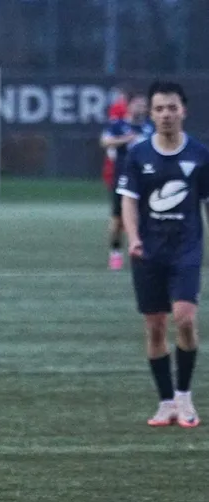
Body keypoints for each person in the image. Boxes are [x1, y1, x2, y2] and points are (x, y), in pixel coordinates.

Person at [117, 81, 209, 428]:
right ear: (151, 113)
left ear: (183, 110)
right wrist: (134, 237)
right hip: (149, 252)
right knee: (155, 328)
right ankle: (166, 402)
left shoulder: (199, 155)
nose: (166, 114)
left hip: (185, 250)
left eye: (172, 108)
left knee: (185, 318)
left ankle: (185, 396)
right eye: (159, 109)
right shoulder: (138, 154)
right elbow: (129, 199)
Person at [100, 92, 152, 271]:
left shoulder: (150, 127)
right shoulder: (118, 125)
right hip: (122, 179)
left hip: (146, 179)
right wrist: (125, 139)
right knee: (117, 220)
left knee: (147, 217)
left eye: (144, 105)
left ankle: (143, 251)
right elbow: (105, 142)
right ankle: (115, 252)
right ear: (128, 106)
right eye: (138, 104)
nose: (141, 108)